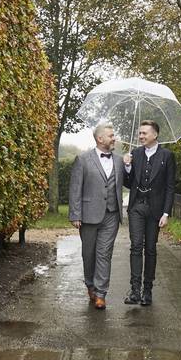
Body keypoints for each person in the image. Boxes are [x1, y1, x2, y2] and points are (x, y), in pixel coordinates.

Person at [69, 122, 124, 309]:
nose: (114, 138)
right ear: (100, 139)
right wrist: (75, 215)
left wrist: (130, 166)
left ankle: (101, 293)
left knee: (104, 254)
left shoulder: (119, 160)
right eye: (111, 135)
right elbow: (75, 189)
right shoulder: (83, 159)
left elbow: (129, 181)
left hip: (112, 214)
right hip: (88, 215)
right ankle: (90, 285)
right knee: (89, 254)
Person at [122, 120, 176, 306]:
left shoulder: (167, 156)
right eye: (140, 133)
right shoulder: (135, 154)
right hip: (137, 206)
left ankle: (148, 291)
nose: (141, 136)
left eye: (144, 133)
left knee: (150, 249)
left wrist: (166, 213)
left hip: (155, 210)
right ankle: (135, 291)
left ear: (155, 135)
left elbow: (170, 187)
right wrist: (127, 167)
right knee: (136, 246)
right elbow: (129, 183)